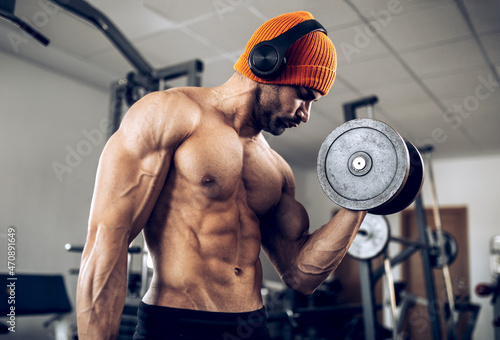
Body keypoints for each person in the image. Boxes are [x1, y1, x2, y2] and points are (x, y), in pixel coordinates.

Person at [76, 11, 366, 340]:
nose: (306, 114)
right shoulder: (169, 113)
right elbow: (107, 243)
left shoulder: (277, 169)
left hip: (252, 327)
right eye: (304, 95)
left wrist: (361, 201)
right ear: (267, 63)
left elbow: (301, 275)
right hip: (175, 326)